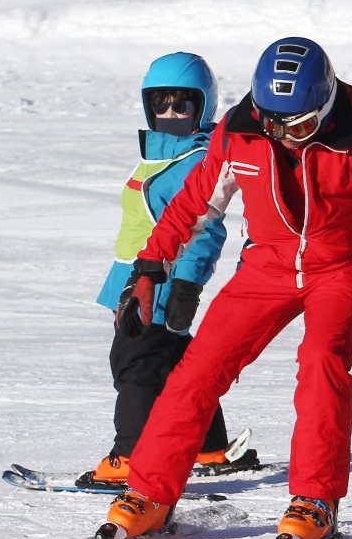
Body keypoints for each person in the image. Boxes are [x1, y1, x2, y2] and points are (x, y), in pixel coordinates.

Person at [96, 37, 352, 539]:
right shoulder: (239, 131)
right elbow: (192, 204)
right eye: (272, 122)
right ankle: (151, 493)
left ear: (325, 105)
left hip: (339, 271)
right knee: (197, 370)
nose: (284, 137)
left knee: (321, 361)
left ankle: (315, 501)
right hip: (266, 267)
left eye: (297, 127)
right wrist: (151, 264)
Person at [82, 52, 259, 488]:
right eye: (161, 103)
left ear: (204, 107)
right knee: (179, 364)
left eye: (183, 104)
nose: (171, 113)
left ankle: (132, 456)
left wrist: (185, 285)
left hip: (158, 282)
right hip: (132, 275)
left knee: (136, 366)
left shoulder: (199, 160)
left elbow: (205, 229)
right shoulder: (161, 154)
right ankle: (209, 446)